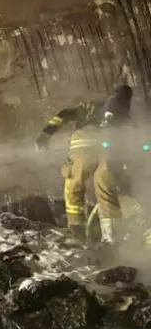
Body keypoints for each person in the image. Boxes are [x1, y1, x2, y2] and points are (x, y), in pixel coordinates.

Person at [36, 85, 133, 243]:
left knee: (74, 184)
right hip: (109, 150)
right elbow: (129, 141)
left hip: (83, 146)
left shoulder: (91, 108)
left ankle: (77, 231)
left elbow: (64, 114)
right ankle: (112, 237)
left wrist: (46, 134)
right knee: (106, 189)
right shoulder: (124, 115)